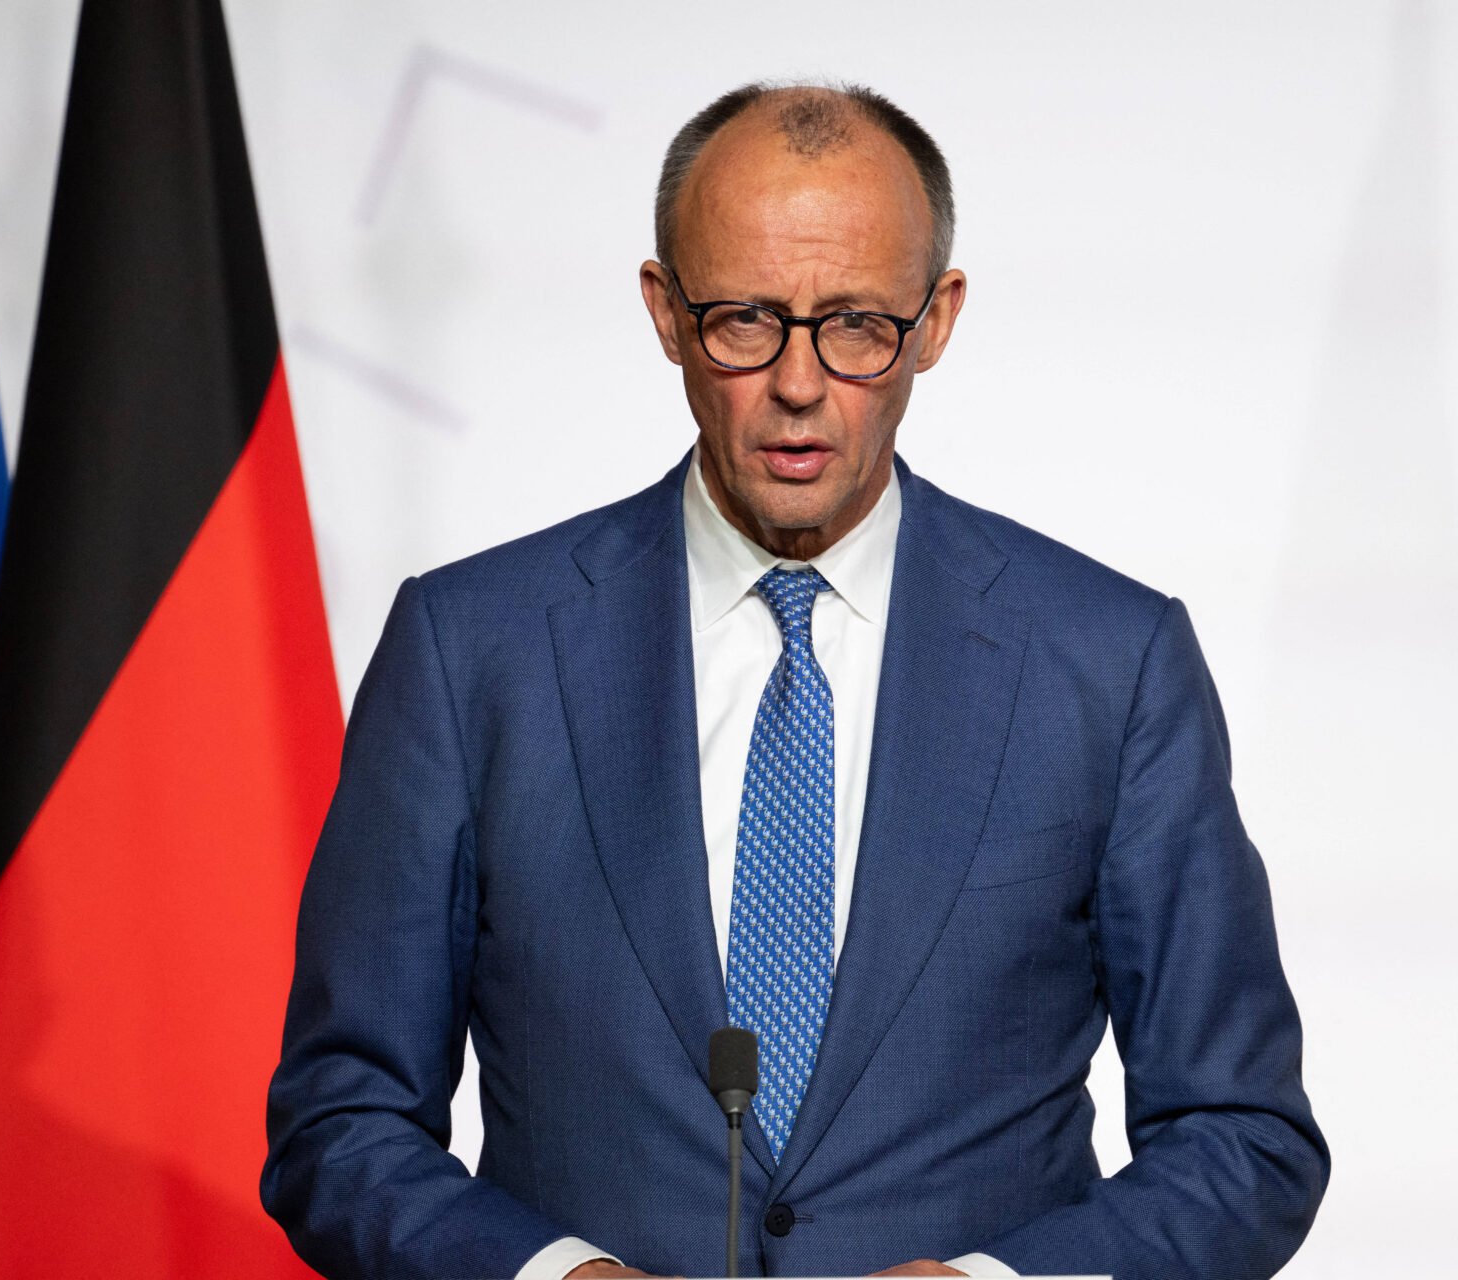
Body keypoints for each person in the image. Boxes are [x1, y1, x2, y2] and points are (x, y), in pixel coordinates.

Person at [263, 81, 1328, 1280]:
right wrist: (556, 1274)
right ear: (666, 312)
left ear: (936, 321)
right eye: (746, 320)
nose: (801, 383)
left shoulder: (1108, 663)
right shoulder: (471, 651)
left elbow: (1244, 1139)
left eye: (858, 325)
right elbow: (338, 1122)